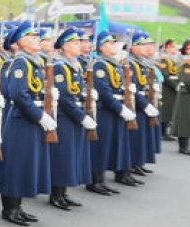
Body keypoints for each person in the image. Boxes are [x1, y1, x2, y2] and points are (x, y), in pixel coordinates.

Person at [0, 20, 54, 226]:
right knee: (15, 165)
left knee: (24, 164)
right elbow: (19, 94)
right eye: (32, 37)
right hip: (21, 119)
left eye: (38, 36)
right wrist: (39, 116)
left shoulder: (33, 62)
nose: (37, 40)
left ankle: (17, 206)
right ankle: (9, 208)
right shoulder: (21, 62)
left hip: (29, 117)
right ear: (20, 41)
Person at [48, 28, 95, 209]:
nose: (80, 45)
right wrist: (81, 117)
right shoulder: (60, 66)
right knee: (63, 156)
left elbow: (76, 92)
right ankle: (56, 194)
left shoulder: (74, 64)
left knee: (71, 156)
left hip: (74, 115)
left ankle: (63, 192)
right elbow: (65, 98)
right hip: (64, 116)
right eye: (75, 43)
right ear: (65, 46)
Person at [87, 30, 138, 192]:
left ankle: (101, 180)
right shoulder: (100, 64)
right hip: (105, 110)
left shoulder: (113, 64)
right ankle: (95, 181)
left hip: (114, 108)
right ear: (101, 47)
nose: (114, 45)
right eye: (109, 43)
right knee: (101, 146)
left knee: (110, 144)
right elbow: (104, 91)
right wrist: (120, 108)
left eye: (114, 43)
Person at [125, 32, 161, 178]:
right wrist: (145, 104)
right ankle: (132, 164)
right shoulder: (130, 63)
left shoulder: (143, 62)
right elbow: (132, 88)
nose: (147, 47)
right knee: (135, 136)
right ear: (132, 47)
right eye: (142, 44)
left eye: (148, 44)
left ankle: (138, 163)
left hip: (145, 102)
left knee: (142, 136)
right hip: (136, 104)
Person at [156, 39, 181, 141]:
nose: (175, 49)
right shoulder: (164, 60)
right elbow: (166, 76)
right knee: (166, 111)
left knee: (170, 110)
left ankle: (165, 132)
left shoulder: (171, 60)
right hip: (167, 89)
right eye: (173, 47)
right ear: (167, 48)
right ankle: (162, 133)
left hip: (172, 89)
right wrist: (175, 86)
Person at [172, 42, 190, 154]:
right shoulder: (186, 64)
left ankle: (185, 145)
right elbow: (187, 80)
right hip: (185, 95)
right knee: (184, 120)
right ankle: (183, 146)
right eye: (188, 48)